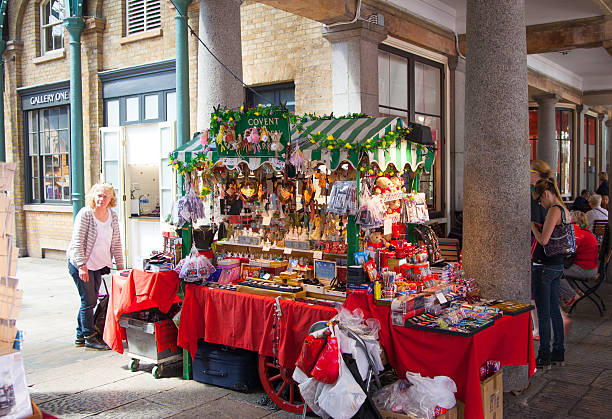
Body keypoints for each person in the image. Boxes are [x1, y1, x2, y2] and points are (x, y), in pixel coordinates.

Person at [67, 183, 124, 350]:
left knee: (90, 300)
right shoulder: (86, 214)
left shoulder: (112, 216)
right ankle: (89, 337)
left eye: (105, 196)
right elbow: (77, 243)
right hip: (81, 264)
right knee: (89, 300)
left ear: (111, 199)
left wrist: (121, 268)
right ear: (93, 196)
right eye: (98, 195)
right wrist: (81, 266)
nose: (101, 199)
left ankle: (80, 335)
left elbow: (116, 243)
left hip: (98, 264)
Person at [531, 177, 570, 369]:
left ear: (546, 194)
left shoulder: (554, 210)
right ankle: (558, 353)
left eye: (540, 200)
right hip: (557, 265)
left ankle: (544, 356)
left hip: (544, 266)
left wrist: (533, 228)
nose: (540, 204)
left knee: (544, 313)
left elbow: (544, 240)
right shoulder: (564, 209)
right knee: (555, 310)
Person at [529, 160, 553, 340]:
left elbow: (542, 234)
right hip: (541, 248)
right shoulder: (542, 192)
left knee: (536, 289)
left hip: (537, 244)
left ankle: (539, 329)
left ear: (536, 173)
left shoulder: (539, 195)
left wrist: (533, 229)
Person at [559, 211, 596, 309]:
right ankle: (576, 291)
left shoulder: (578, 234)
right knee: (564, 271)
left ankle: (571, 296)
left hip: (585, 270)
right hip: (591, 268)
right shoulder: (587, 233)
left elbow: (567, 253)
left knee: (555, 273)